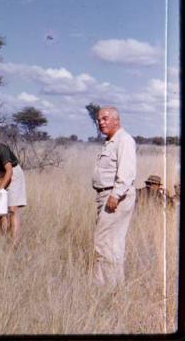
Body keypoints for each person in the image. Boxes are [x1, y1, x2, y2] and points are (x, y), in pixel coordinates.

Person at [92, 106, 136, 287]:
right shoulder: (111, 141)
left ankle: (101, 287)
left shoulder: (124, 140)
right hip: (107, 196)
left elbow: (126, 172)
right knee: (113, 243)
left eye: (105, 118)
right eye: (99, 119)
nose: (101, 122)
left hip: (115, 197)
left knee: (103, 242)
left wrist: (115, 195)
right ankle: (115, 287)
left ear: (117, 120)